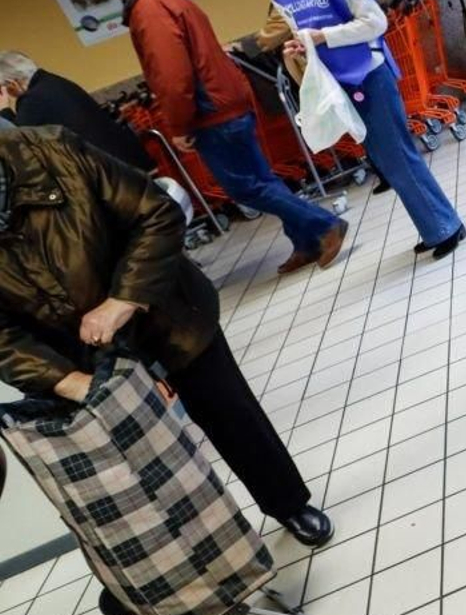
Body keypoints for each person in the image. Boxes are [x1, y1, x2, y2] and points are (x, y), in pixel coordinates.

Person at [0, 126, 333, 546]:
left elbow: (156, 212)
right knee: (139, 465)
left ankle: (287, 504)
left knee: (231, 416)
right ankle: (191, 557)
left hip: (165, 308)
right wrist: (64, 380)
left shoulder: (51, 149)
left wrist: (123, 299)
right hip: (82, 356)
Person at [102, 0, 348, 275]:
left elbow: (173, 76)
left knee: (245, 187)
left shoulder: (149, 9)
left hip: (211, 112)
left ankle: (324, 225)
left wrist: (179, 126)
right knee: (261, 179)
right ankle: (305, 241)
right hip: (226, 101)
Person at [245, 0, 465, 258]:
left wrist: (323, 37)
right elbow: (310, 33)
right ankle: (434, 225)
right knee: (384, 156)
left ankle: (446, 227)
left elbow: (375, 23)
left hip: (369, 73)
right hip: (339, 83)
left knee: (397, 155)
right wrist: (302, 47)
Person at [233, 4, 391, 194]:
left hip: (319, 67)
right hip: (322, 64)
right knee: (357, 117)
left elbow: (274, 33)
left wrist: (240, 46)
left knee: (358, 118)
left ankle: (386, 171)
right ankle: (384, 169)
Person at [0, 51, 154, 172]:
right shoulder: (52, 81)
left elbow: (19, 144)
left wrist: (4, 110)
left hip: (111, 173)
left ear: (12, 84)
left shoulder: (32, 99)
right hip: (127, 158)